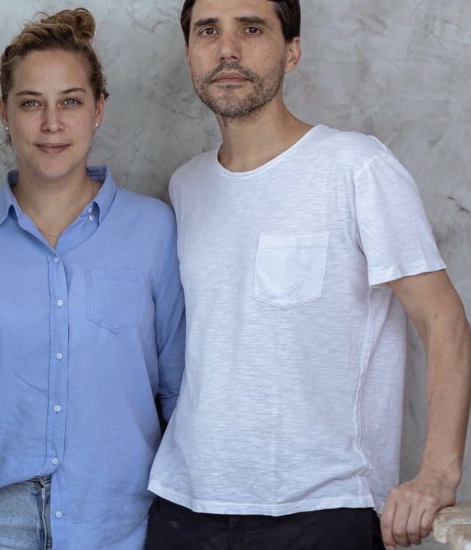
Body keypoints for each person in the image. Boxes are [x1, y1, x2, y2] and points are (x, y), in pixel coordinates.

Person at [146, 1, 471, 549]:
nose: (227, 49)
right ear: (189, 54)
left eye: (252, 29)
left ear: (292, 51)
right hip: (185, 507)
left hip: (323, 510)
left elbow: (444, 321)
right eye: (208, 31)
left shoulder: (355, 167)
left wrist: (438, 473)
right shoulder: (187, 186)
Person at [0, 8, 184, 550]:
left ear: (98, 109)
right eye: (31, 103)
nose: (52, 124)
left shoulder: (155, 230)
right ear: (4, 113)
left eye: (71, 101)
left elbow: (180, 396)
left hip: (122, 525)